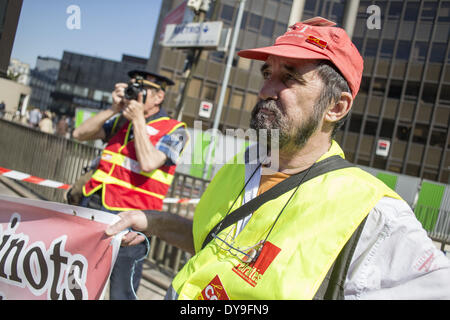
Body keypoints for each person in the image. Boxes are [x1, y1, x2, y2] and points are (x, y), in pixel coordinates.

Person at [106, 18, 450, 300]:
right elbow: (217, 244)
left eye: (289, 78)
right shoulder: (244, 164)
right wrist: (152, 221)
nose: (267, 90)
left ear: (336, 106)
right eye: (267, 74)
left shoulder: (369, 209)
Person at [73, 70, 188, 300]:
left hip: (132, 220)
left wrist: (138, 120)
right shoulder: (120, 120)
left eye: (141, 90)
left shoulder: (175, 130)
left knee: (121, 292)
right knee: (77, 277)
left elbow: (148, 163)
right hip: (95, 204)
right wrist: (113, 109)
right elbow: (79, 133)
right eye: (132, 88)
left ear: (158, 97)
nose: (134, 95)